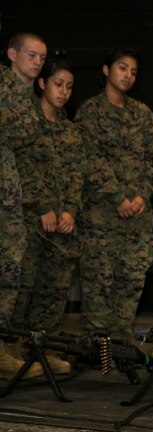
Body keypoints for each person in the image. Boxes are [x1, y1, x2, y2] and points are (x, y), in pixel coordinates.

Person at [74, 48, 153, 340]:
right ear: (106, 70)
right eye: (122, 68)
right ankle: (97, 349)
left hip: (137, 219)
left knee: (131, 282)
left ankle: (121, 344)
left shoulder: (142, 114)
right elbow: (89, 159)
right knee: (99, 283)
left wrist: (141, 196)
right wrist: (118, 198)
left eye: (134, 71)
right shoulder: (90, 112)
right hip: (102, 217)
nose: (128, 75)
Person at [12, 58, 86, 375]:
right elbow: (21, 168)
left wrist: (69, 209)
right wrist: (42, 206)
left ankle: (40, 349)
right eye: (58, 84)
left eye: (70, 86)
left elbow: (76, 176)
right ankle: (10, 350)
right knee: (23, 287)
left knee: (54, 290)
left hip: (61, 227)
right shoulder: (26, 124)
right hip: (30, 221)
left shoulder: (69, 132)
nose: (64, 92)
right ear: (42, 83)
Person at [0, 32, 46, 379]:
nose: (37, 63)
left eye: (42, 58)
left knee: (10, 271)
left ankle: (3, 347)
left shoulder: (27, 96)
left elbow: (26, 136)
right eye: (32, 55)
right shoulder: (5, 89)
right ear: (12, 53)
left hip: (10, 198)